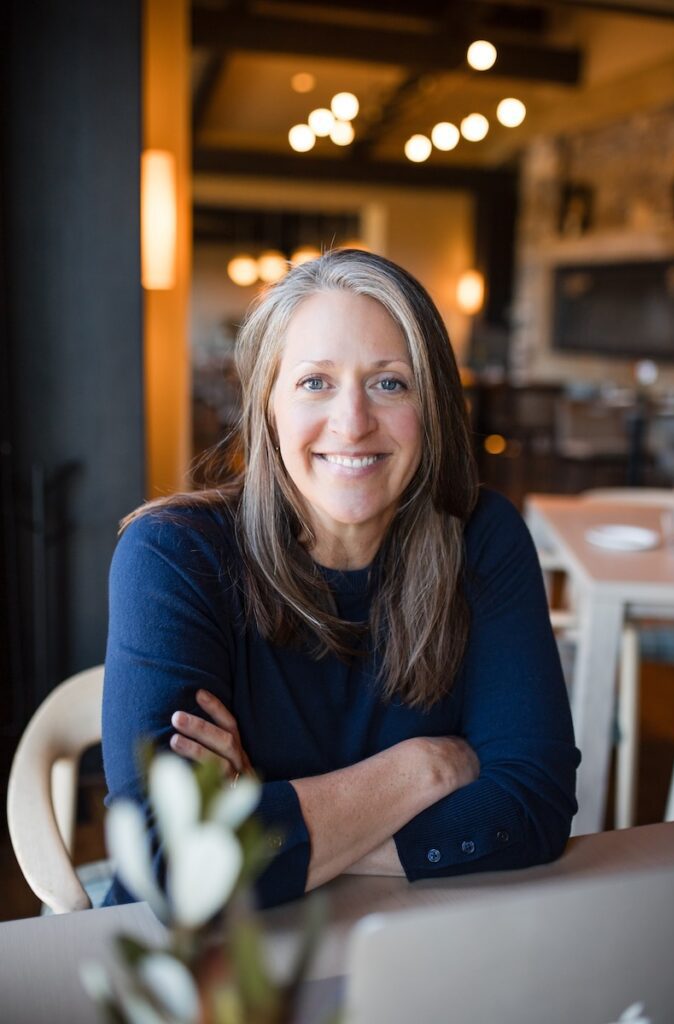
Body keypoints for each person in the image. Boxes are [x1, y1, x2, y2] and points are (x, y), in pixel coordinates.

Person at [102, 249, 580, 909]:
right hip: (200, 974)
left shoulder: (480, 535)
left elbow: (533, 806)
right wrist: (422, 769)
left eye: (389, 383)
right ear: (266, 405)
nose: (352, 423)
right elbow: (167, 858)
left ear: (432, 406)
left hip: (414, 950)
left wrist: (255, 825)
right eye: (314, 382)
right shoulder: (175, 554)